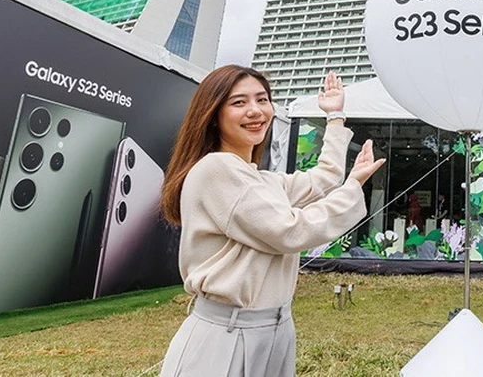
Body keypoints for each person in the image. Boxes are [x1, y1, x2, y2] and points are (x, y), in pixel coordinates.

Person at [159, 67, 384, 377]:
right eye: (238, 102)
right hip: (227, 334)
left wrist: (335, 116)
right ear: (212, 114)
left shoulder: (259, 179)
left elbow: (323, 179)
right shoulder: (216, 169)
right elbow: (290, 231)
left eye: (262, 99)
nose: (255, 111)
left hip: (276, 327)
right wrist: (352, 191)